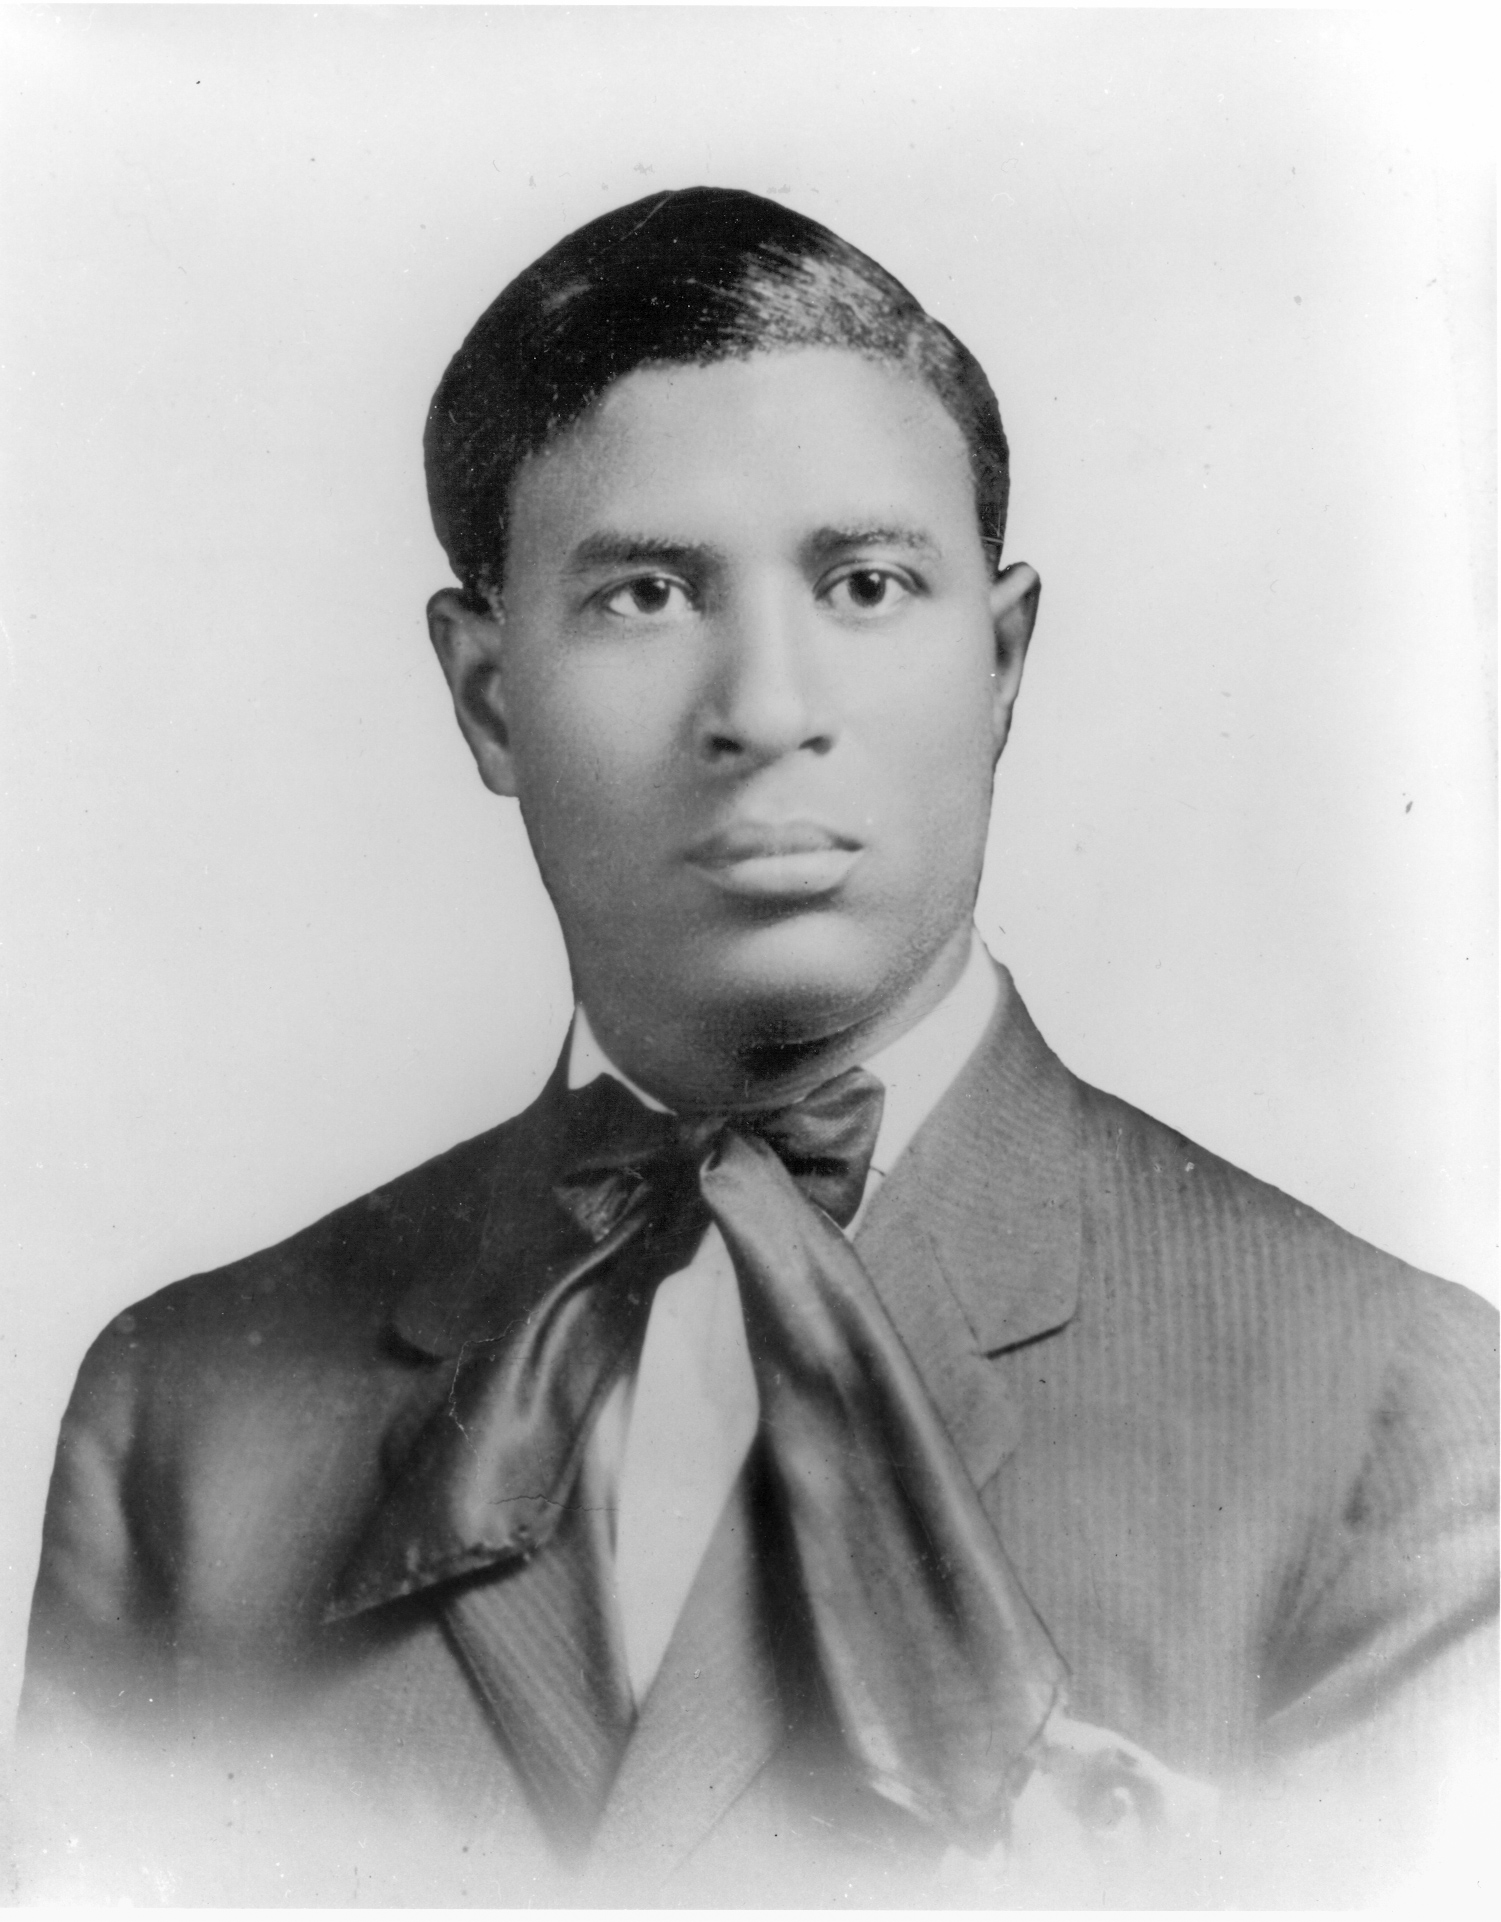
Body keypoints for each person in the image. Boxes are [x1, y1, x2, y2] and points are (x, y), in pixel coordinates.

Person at [14, 186, 1497, 1907]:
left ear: (1000, 658)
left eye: (867, 583)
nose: (766, 704)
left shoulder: (1402, 1419)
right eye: (646, 595)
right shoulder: (187, 1419)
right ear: (488, 695)